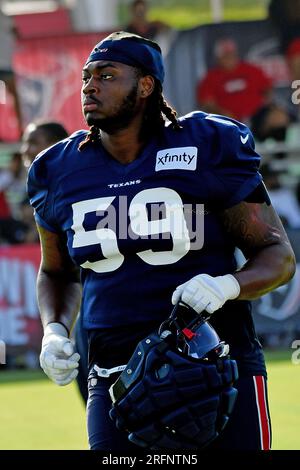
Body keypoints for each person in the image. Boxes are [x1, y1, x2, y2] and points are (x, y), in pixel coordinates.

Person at [27, 31, 296, 450]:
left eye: (107, 74)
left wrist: (226, 286)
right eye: (85, 77)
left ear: (146, 84)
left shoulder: (205, 143)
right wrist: (54, 331)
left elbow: (277, 255)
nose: (89, 87)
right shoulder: (57, 169)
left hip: (215, 366)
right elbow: (56, 271)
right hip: (116, 379)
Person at [21, 120, 89, 402]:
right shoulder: (46, 192)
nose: (26, 150)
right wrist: (54, 330)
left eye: (33, 142)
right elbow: (55, 270)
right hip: (88, 317)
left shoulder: (88, 184)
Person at [196, 38, 291, 143]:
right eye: (225, 56)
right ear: (218, 58)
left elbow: (267, 89)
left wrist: (267, 103)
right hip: (229, 119)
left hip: (256, 115)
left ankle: (279, 154)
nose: (230, 59)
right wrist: (223, 113)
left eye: (232, 55)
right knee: (223, 125)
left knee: (279, 117)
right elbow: (207, 103)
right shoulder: (210, 77)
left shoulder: (250, 69)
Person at [0, 3, 23, 136]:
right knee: (14, 96)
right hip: (5, 62)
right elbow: (16, 31)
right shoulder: (3, 16)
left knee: (14, 96)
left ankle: (19, 129)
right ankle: (20, 129)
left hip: (5, 62)